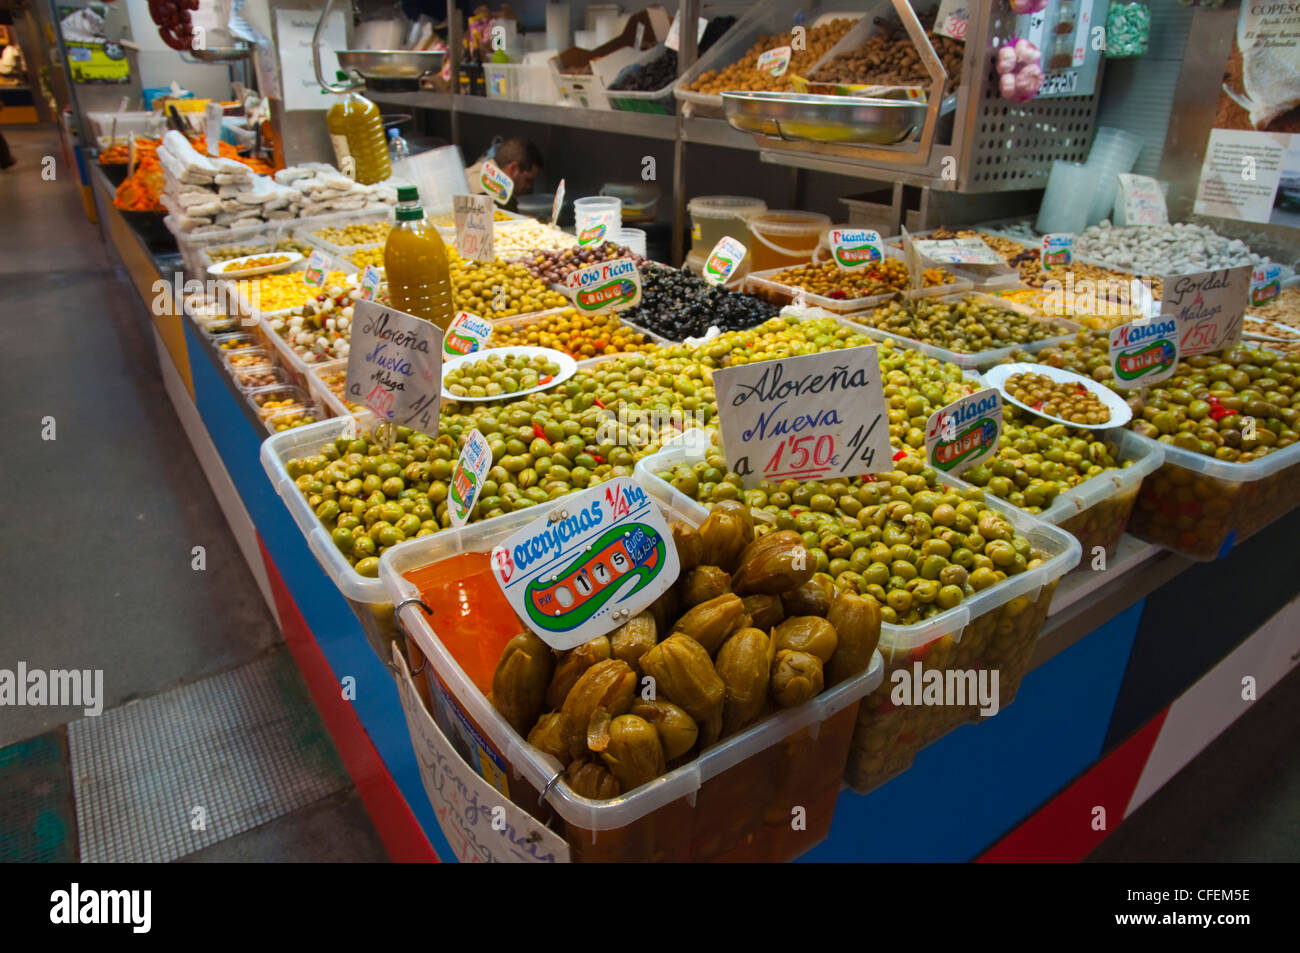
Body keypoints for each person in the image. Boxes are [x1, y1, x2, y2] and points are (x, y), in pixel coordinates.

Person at [466, 136, 542, 209]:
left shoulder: (470, 172)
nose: (528, 186)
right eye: (527, 180)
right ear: (513, 168)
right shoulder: (500, 196)